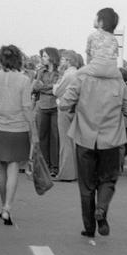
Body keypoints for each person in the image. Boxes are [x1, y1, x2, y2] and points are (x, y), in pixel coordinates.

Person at [57, 51, 127, 239]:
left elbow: (64, 104)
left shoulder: (82, 76)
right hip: (111, 140)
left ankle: (89, 227)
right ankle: (102, 208)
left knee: (86, 184)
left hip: (85, 137)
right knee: (108, 179)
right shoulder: (119, 81)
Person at [0, 45, 38, 225]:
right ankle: (8, 207)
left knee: (1, 168)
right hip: (18, 127)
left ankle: (3, 205)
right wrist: (33, 130)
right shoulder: (24, 80)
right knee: (14, 167)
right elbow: (26, 106)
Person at [52, 50, 83, 182]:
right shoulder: (80, 74)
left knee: (65, 142)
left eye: (63, 59)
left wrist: (56, 83)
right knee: (74, 142)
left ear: (68, 60)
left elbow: (57, 91)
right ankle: (75, 172)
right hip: (76, 108)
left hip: (64, 108)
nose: (61, 62)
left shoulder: (68, 74)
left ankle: (66, 173)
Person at [32, 47, 61, 177]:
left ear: (51, 57)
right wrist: (48, 87)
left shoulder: (59, 72)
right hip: (43, 106)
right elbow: (35, 87)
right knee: (42, 137)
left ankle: (54, 166)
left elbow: (58, 89)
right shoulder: (40, 72)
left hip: (55, 107)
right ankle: (44, 165)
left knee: (55, 137)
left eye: (44, 56)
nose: (42, 58)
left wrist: (44, 88)